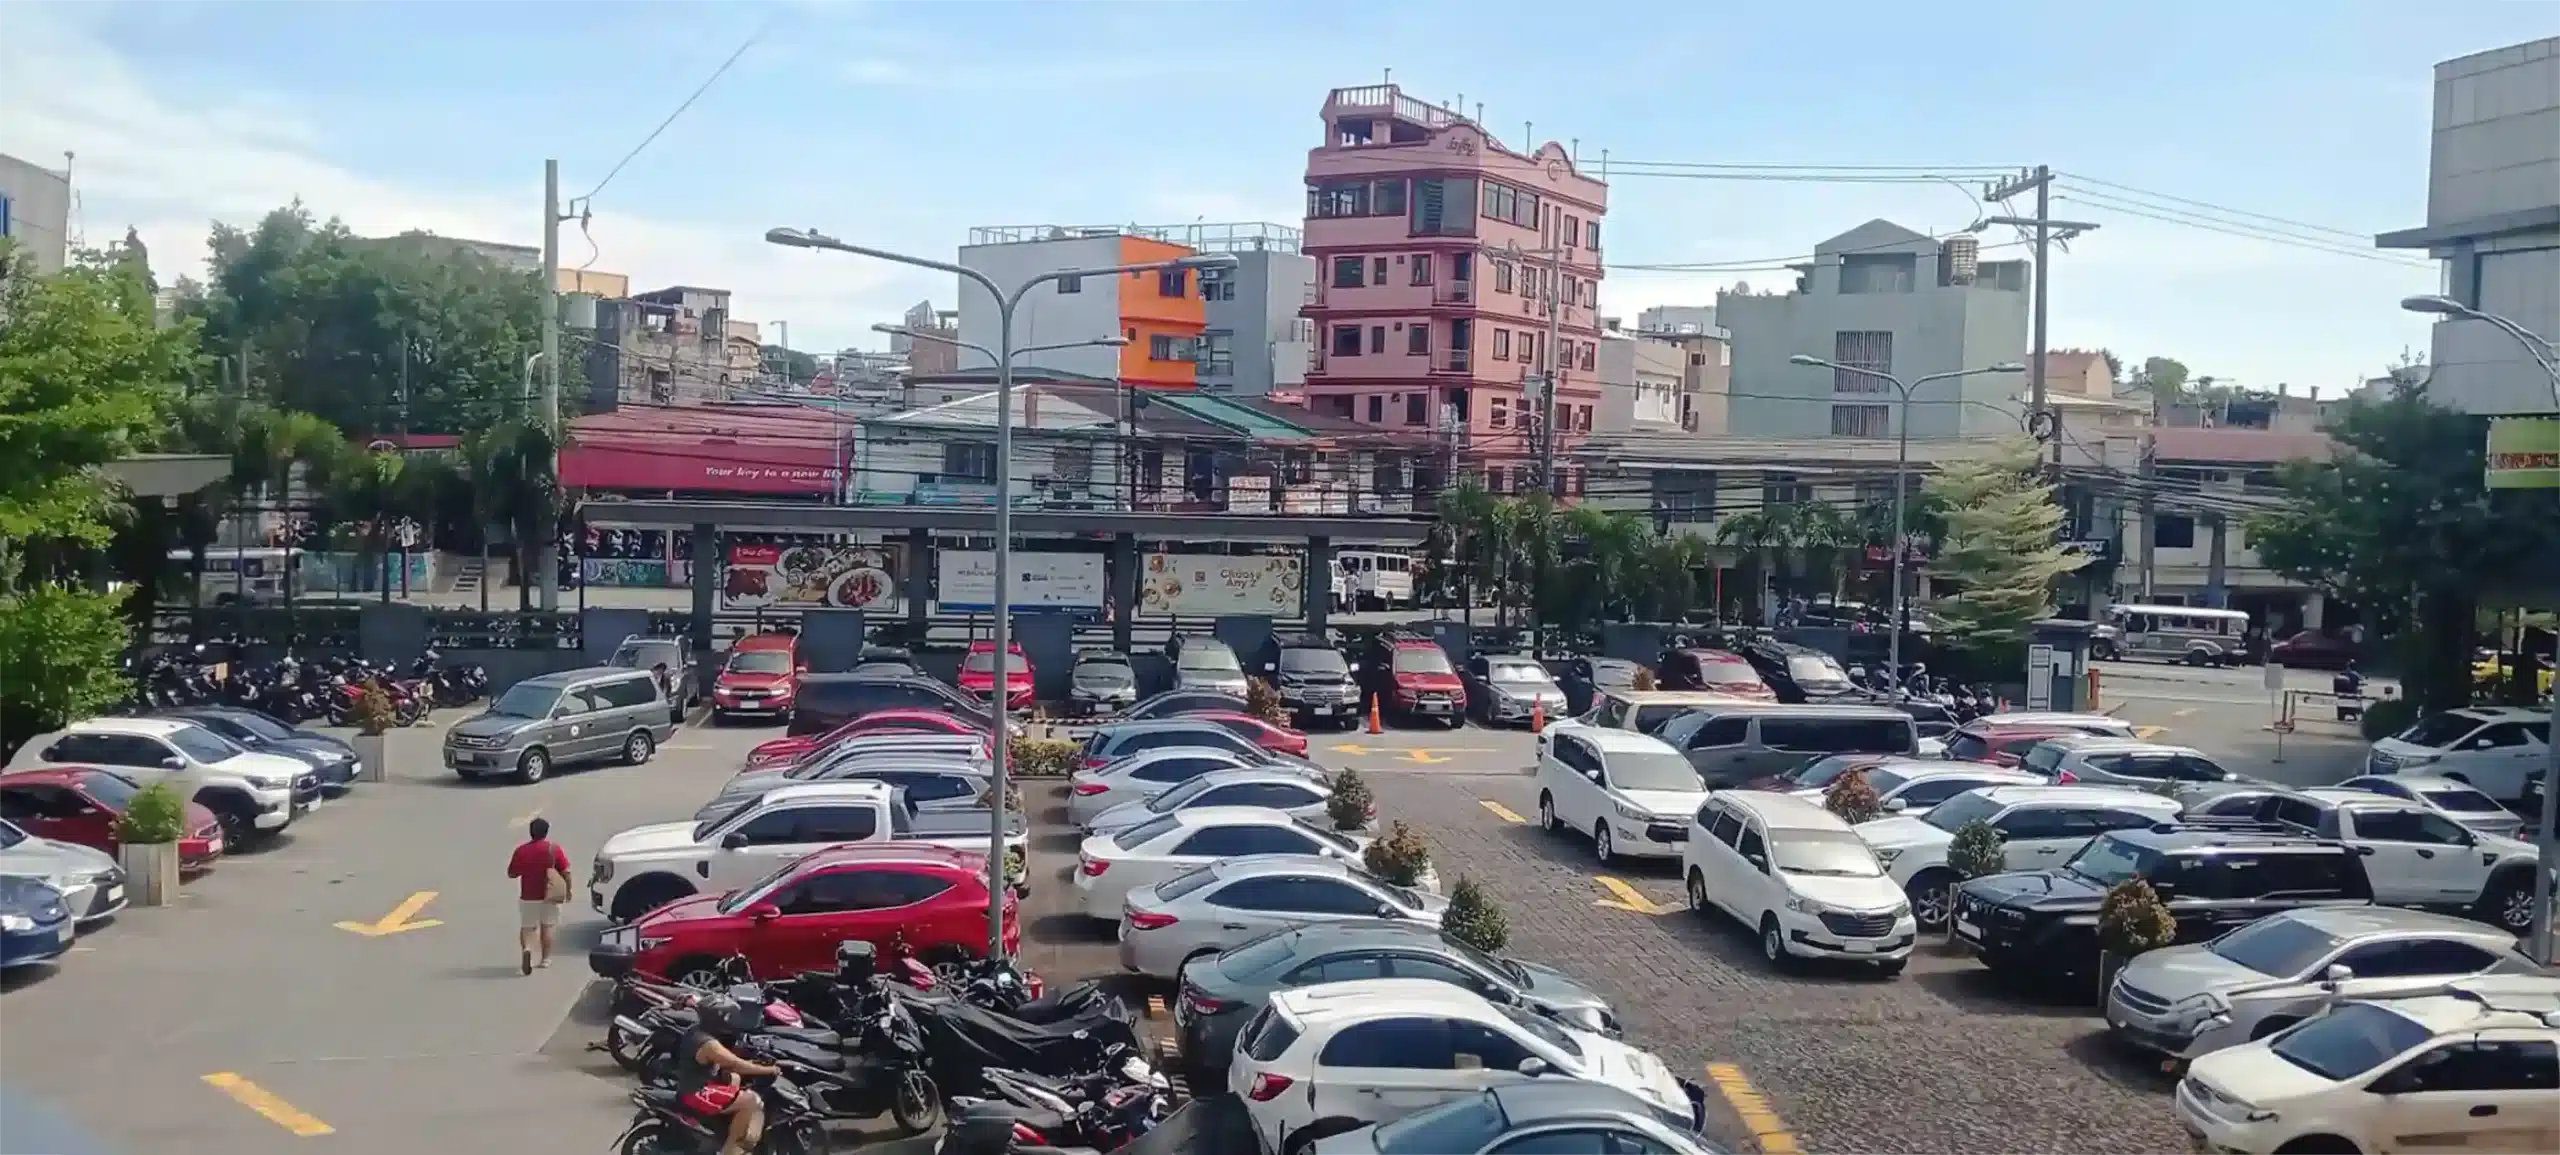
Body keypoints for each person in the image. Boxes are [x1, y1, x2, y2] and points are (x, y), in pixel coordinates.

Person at [675, 995, 781, 1155]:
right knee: (751, 1101)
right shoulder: (708, 1044)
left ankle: (724, 1132)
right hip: (696, 1092)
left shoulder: (697, 1030)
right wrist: (769, 1070)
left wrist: (754, 1063)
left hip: (698, 1082)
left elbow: (733, 1064)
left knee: (735, 1079)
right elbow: (735, 1063)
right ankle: (730, 1149)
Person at [505, 817, 571, 975]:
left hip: (528, 895)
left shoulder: (521, 850)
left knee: (528, 927)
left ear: (531, 832)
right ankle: (545, 959)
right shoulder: (553, 849)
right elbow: (566, 871)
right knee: (547, 927)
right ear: (546, 832)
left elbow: (512, 873)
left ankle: (527, 949)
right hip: (550, 894)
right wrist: (568, 890)